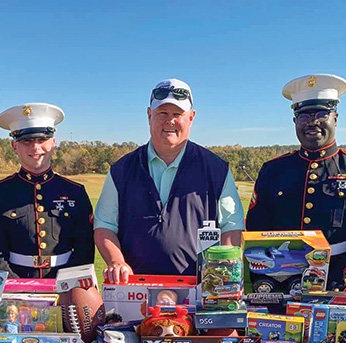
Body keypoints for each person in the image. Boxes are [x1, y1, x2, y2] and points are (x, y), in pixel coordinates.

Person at [245, 74, 346, 292]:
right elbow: (257, 229)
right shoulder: (273, 170)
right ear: (295, 121)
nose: (313, 122)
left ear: (335, 118)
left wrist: (340, 282)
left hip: (342, 283)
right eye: (303, 116)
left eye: (322, 114)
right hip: (282, 281)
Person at [94, 78, 244, 283]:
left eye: (177, 114)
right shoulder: (121, 170)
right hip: (135, 290)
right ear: (149, 115)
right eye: (162, 113)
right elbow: (104, 226)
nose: (169, 121)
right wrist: (116, 261)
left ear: (191, 118)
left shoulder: (217, 170)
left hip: (201, 290)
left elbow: (231, 226)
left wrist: (221, 270)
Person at [0, 103, 94, 278]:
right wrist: (16, 287)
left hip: (65, 283)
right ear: (14, 146)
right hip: (15, 284)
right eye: (26, 141)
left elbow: (84, 248)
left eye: (42, 140)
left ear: (53, 143)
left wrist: (68, 284)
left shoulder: (75, 192)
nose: (35, 148)